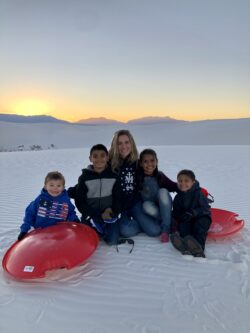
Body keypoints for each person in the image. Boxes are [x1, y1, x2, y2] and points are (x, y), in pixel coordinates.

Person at [68, 144, 121, 245]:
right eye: (95, 156)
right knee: (87, 241)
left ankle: (104, 229)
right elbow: (80, 201)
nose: (99, 159)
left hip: (108, 215)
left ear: (107, 157)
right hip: (90, 215)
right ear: (90, 158)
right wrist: (93, 214)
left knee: (112, 241)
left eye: (102, 155)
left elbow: (118, 198)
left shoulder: (114, 175)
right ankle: (93, 228)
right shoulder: (84, 177)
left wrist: (113, 211)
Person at [18, 171, 79, 241]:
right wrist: (24, 230)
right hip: (41, 232)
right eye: (51, 185)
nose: (55, 188)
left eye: (58, 186)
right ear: (45, 186)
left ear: (63, 188)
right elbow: (30, 214)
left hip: (60, 232)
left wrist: (74, 219)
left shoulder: (65, 200)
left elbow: (70, 212)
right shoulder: (41, 199)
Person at [137, 149, 178, 242]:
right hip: (153, 211)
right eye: (145, 161)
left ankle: (165, 230)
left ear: (157, 161)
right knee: (145, 205)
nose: (149, 164)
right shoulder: (138, 179)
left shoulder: (160, 176)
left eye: (152, 160)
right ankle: (170, 221)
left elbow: (175, 186)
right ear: (140, 163)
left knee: (163, 191)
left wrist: (192, 188)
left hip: (164, 207)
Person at [170, 169, 212, 257]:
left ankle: (199, 248)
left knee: (199, 227)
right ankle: (185, 245)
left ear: (192, 182)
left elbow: (206, 208)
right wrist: (181, 216)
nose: (183, 183)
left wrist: (193, 212)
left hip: (202, 217)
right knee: (183, 226)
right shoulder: (178, 197)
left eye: (186, 181)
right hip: (188, 219)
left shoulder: (198, 194)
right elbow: (176, 212)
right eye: (180, 181)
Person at [109, 130, 141, 238]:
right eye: (119, 143)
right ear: (115, 145)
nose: (124, 146)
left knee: (154, 230)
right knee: (126, 231)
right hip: (120, 207)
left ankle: (143, 222)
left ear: (131, 143)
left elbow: (155, 175)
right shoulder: (109, 164)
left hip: (135, 204)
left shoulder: (137, 163)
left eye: (127, 142)